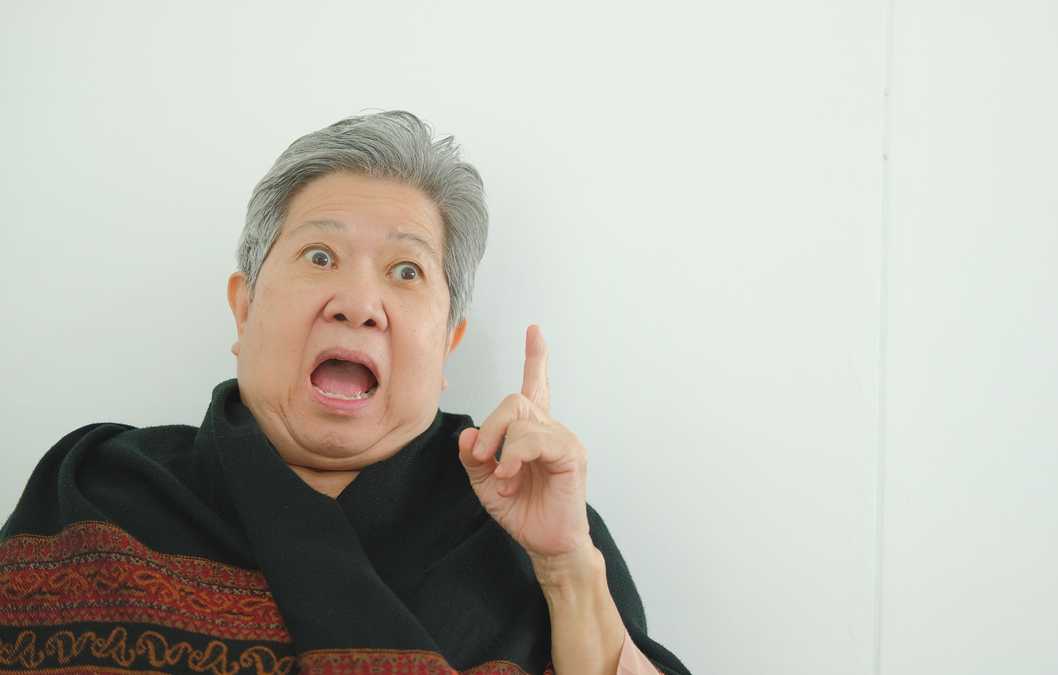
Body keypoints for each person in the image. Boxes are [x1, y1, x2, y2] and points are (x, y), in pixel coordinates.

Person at [0, 111, 692, 675]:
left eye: (406, 270)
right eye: (320, 256)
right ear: (244, 309)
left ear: (447, 345)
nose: (358, 304)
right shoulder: (97, 492)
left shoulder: (538, 533)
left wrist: (567, 570)